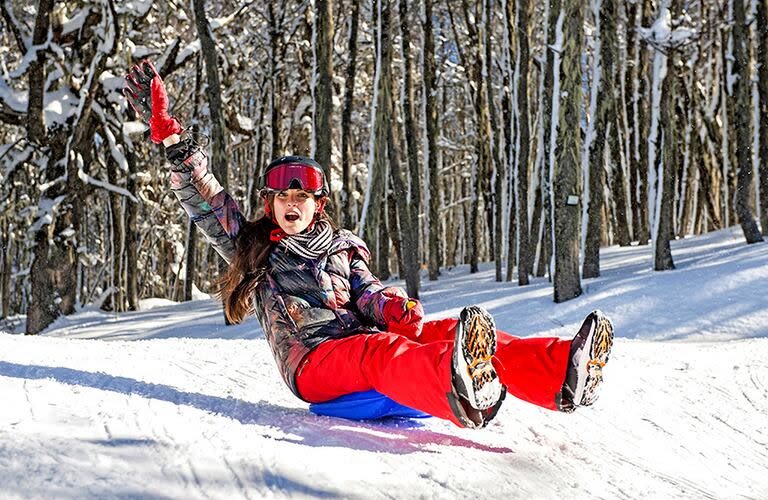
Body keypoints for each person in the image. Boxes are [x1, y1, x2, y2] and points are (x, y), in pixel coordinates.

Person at [123, 61, 614, 429]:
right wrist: (172, 139)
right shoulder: (252, 245)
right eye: (281, 197)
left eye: (303, 196)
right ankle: (459, 388)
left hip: (360, 345)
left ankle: (559, 374)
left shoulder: (342, 245)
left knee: (442, 332)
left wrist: (393, 306)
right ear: (268, 203)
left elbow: (368, 292)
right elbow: (205, 198)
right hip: (314, 361)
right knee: (379, 349)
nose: (291, 204)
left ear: (320, 204)